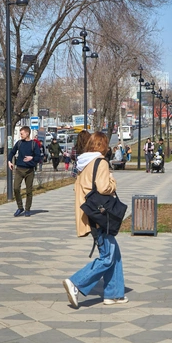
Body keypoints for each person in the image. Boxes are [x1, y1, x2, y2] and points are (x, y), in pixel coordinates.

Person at [63, 131, 127, 308]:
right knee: (107, 256)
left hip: (90, 213)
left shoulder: (84, 162)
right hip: (100, 215)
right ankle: (76, 283)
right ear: (103, 145)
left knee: (115, 254)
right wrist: (113, 182)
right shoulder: (101, 162)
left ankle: (113, 294)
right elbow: (104, 187)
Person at [8, 126, 42, 217]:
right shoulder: (19, 143)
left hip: (29, 171)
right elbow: (12, 152)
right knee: (16, 188)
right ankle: (20, 207)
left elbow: (39, 157)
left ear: (27, 133)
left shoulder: (34, 144)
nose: (20, 135)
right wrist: (9, 161)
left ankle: (27, 209)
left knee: (28, 191)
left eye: (22, 133)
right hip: (19, 169)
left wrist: (32, 158)